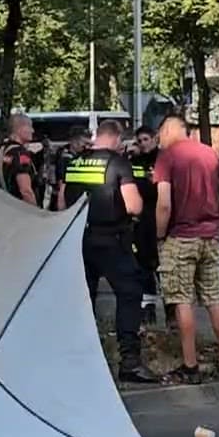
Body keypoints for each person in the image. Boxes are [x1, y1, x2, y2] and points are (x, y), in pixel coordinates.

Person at [63, 121, 159, 383]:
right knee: (129, 294)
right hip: (113, 241)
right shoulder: (118, 163)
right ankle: (129, 361)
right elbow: (134, 206)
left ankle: (79, 359)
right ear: (116, 138)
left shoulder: (75, 162)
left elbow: (62, 201)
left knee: (83, 300)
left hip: (80, 239)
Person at [154, 114, 219, 382]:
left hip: (180, 237)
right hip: (210, 237)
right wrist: (218, 226)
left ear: (169, 130)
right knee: (215, 299)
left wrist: (159, 235)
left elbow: (164, 203)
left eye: (160, 134)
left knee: (182, 301)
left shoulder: (167, 157)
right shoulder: (211, 154)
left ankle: (190, 365)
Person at [130, 126, 161, 310]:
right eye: (139, 141)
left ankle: (171, 316)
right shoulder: (135, 160)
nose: (142, 144)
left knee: (162, 270)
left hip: (159, 217)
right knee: (143, 269)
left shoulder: (163, 159)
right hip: (141, 221)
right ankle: (147, 311)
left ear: (154, 139)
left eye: (145, 139)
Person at [0, 115, 40, 207]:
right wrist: (36, 213)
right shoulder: (20, 153)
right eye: (30, 127)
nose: (33, 131)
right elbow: (26, 191)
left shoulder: (4, 150)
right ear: (20, 129)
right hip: (22, 210)